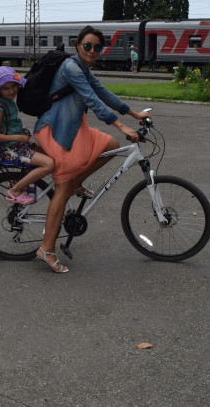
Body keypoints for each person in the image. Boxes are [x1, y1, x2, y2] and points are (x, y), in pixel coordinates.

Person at [33, 26, 147, 273]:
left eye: (97, 47)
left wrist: (133, 112)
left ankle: (76, 183)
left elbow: (103, 92)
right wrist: (121, 125)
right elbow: (91, 99)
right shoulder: (71, 67)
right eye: (88, 45)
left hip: (73, 128)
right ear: (78, 45)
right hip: (56, 130)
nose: (92, 51)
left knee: (111, 146)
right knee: (62, 189)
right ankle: (46, 248)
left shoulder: (83, 68)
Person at [0, 66, 55, 204]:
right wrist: (18, 137)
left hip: (16, 146)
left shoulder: (8, 102)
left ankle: (18, 180)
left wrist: (18, 131)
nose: (12, 91)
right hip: (9, 150)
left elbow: (6, 127)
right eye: (6, 88)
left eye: (14, 86)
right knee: (49, 164)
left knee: (52, 152)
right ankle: (16, 190)